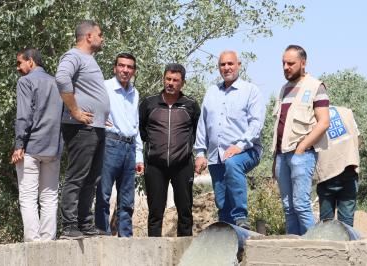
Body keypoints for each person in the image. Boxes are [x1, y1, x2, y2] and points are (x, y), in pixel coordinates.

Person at [194, 51, 265, 230]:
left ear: (239, 65)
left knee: (233, 164)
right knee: (221, 199)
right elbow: (203, 123)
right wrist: (200, 153)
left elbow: (256, 124)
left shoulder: (250, 91)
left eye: (230, 64)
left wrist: (239, 146)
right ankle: (227, 231)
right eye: (223, 65)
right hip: (216, 154)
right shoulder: (211, 92)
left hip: (247, 150)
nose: (226, 68)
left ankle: (241, 216)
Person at [55, 20, 109, 239]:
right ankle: (69, 226)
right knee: (77, 176)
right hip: (80, 127)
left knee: (92, 178)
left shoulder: (89, 59)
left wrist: (102, 114)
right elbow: (61, 78)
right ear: (88, 36)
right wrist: (75, 111)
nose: (102, 38)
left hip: (95, 127)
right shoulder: (74, 56)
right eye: (100, 34)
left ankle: (84, 223)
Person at [271, 45, 330, 235]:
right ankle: (295, 249)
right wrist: (275, 157)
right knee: (288, 206)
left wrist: (301, 148)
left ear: (303, 63)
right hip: (281, 155)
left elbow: (324, 123)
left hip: (301, 155)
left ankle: (315, 248)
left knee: (301, 204)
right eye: (283, 63)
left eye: (291, 63)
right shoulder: (284, 89)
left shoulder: (315, 86)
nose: (286, 67)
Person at [139, 63, 200, 237]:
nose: (170, 83)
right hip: (155, 165)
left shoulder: (190, 105)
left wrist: (186, 150)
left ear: (182, 83)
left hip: (183, 165)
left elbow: (197, 132)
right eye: (168, 79)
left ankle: (185, 253)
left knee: (185, 213)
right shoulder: (149, 103)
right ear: (163, 79)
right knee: (155, 213)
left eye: (175, 80)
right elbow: (141, 130)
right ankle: (153, 253)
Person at [10, 48, 63, 241]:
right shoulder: (56, 82)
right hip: (53, 146)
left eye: (20, 63)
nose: (18, 68)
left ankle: (33, 242)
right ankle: (48, 241)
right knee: (49, 197)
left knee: (28, 197)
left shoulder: (25, 81)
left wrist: (18, 145)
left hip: (31, 147)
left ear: (30, 62)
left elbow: (24, 116)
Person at [95, 53, 143, 237]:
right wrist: (98, 120)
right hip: (111, 144)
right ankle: (102, 234)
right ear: (115, 68)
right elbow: (87, 104)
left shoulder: (134, 93)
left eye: (129, 67)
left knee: (127, 198)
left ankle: (126, 237)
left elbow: (135, 125)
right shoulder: (105, 87)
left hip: (130, 148)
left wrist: (139, 155)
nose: (125, 70)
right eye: (122, 66)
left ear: (134, 71)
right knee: (104, 194)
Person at [315, 106, 360, 227]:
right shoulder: (347, 113)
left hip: (326, 173)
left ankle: (327, 245)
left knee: (326, 224)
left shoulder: (314, 115)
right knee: (346, 224)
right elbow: (358, 139)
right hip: (348, 169)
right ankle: (347, 245)